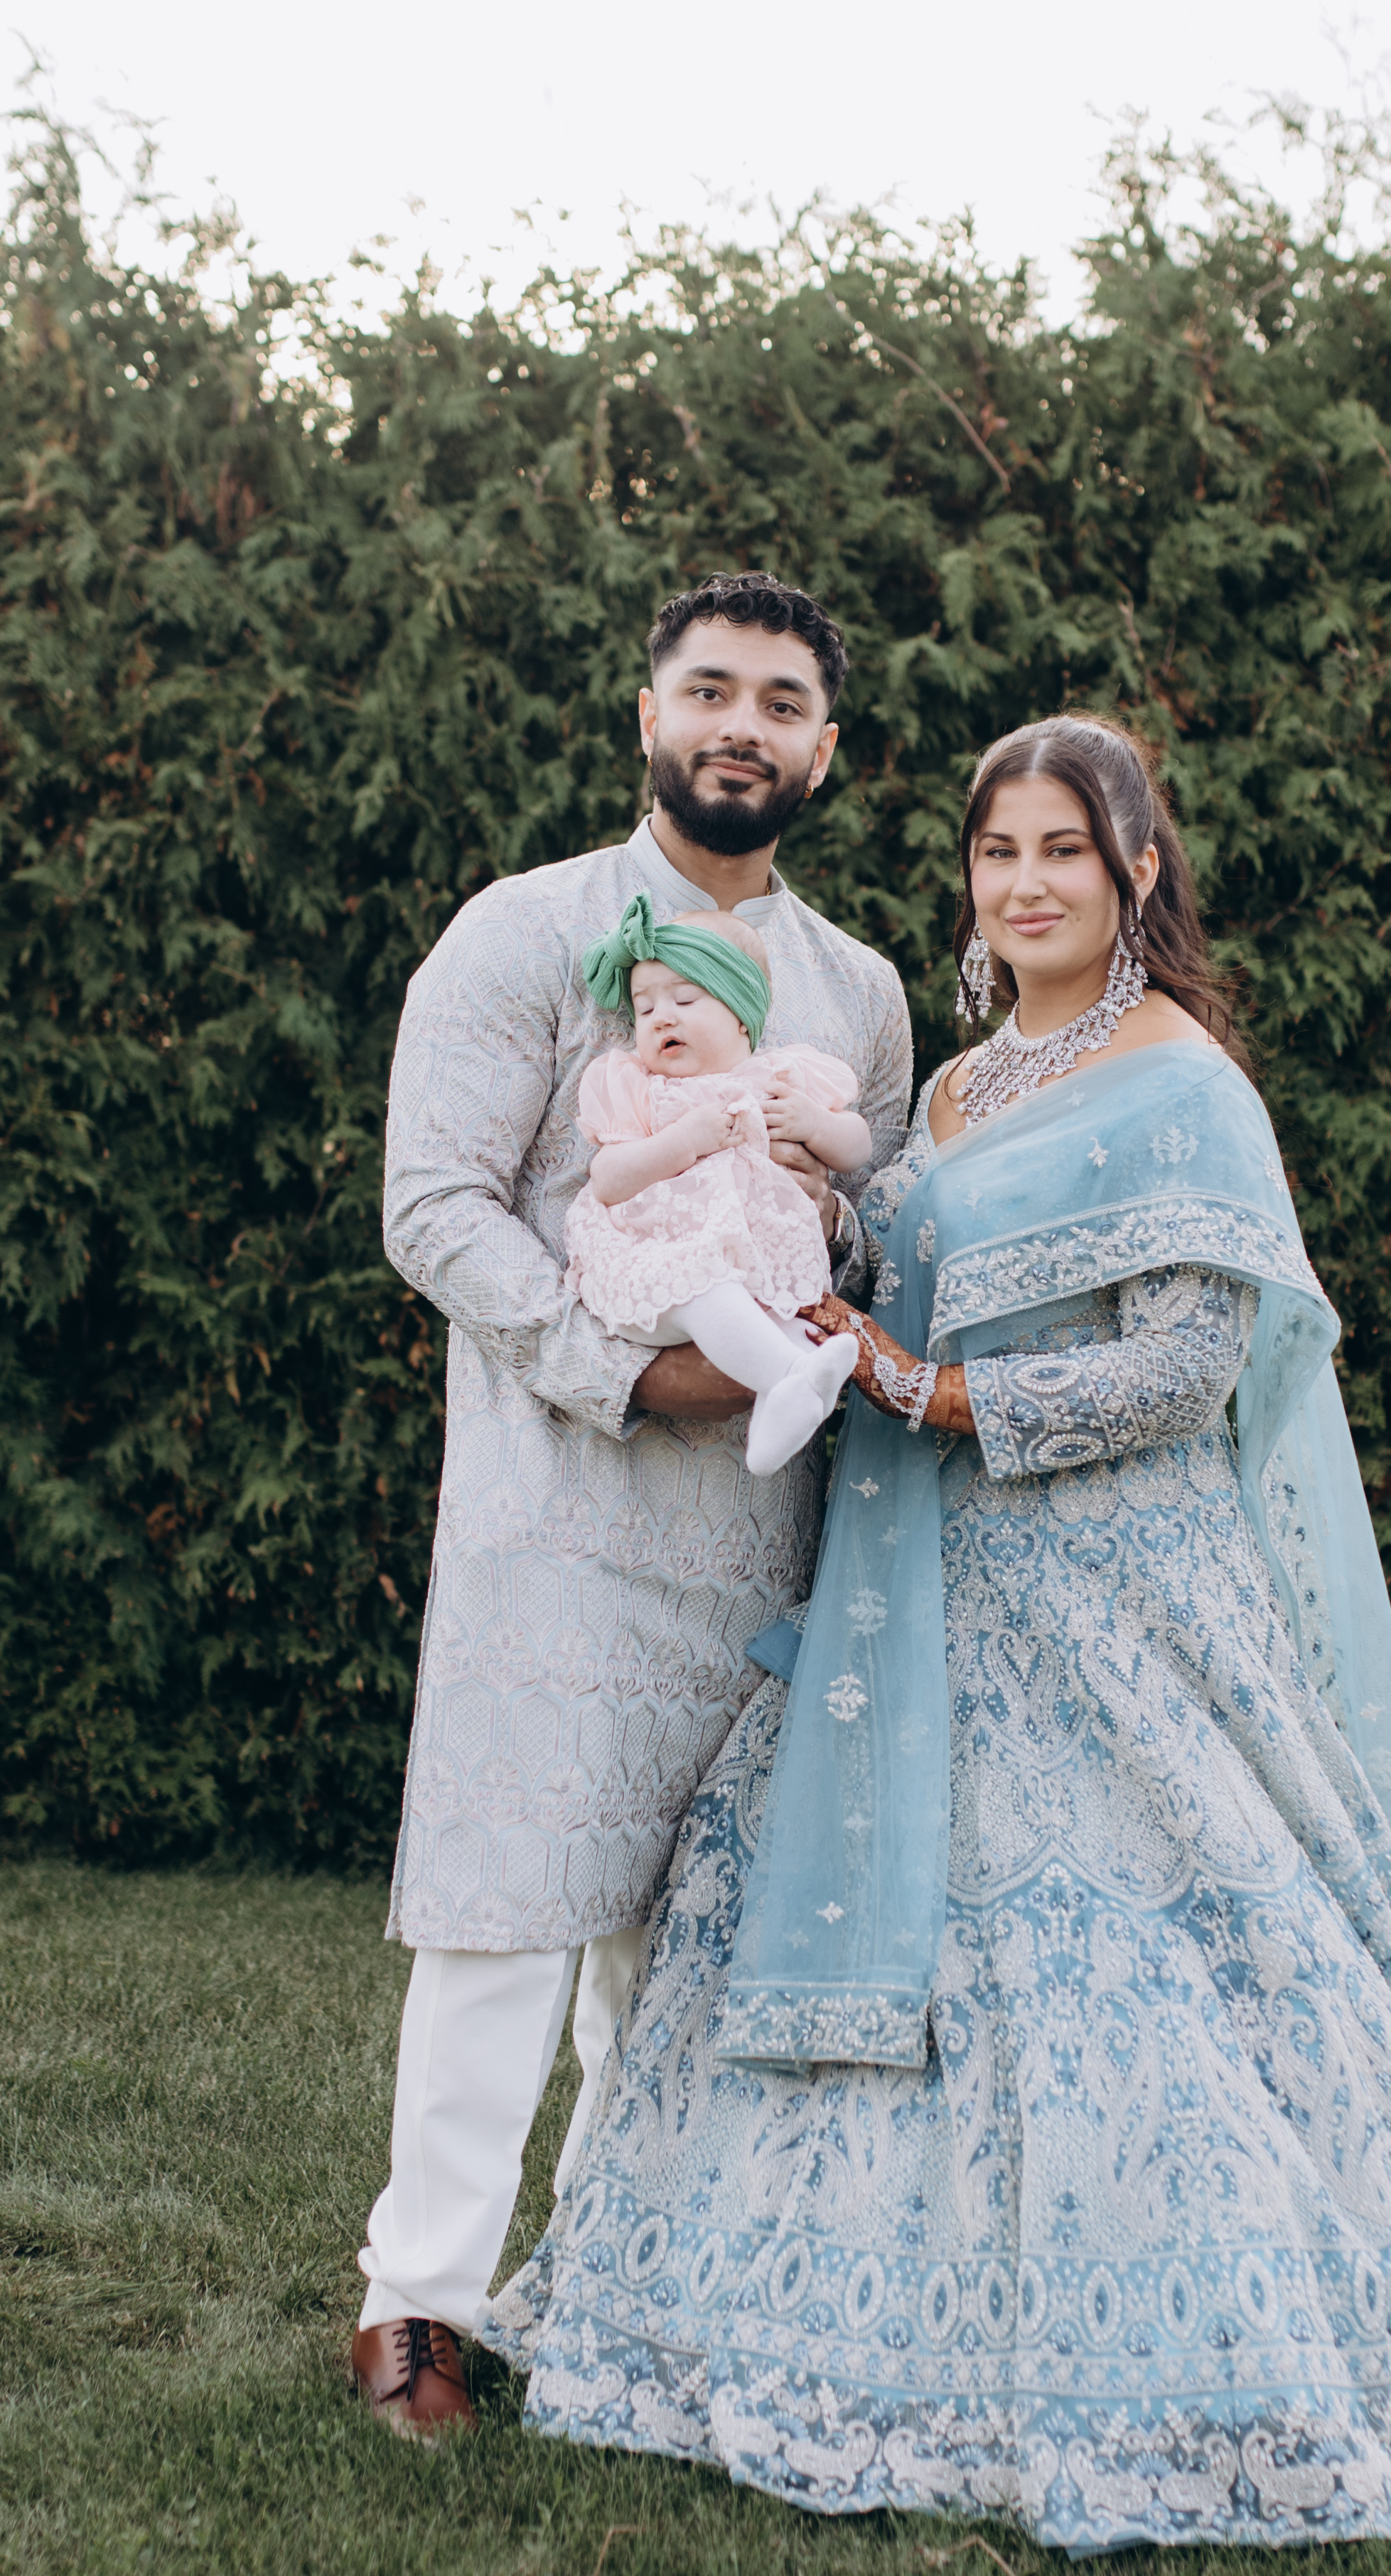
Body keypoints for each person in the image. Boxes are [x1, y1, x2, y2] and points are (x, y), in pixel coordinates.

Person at [483, 714, 1391, 2545]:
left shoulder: (1188, 1087)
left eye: (1063, 852)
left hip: (1118, 1613)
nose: (1024, 884)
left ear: (1135, 871)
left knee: (1135, 1978)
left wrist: (942, 1398)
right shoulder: (951, 1090)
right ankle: (790, 2328)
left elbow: (1187, 1368)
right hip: (913, 1590)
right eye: (996, 851)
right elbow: (893, 1276)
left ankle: (1206, 2357)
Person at [351, 574, 911, 2436]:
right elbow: (436, 1208)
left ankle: (592, 2288)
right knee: (508, 1911)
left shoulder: (860, 992)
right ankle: (419, 2303)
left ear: (825, 749)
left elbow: (863, 1228)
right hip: (559, 1504)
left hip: (758, 1530)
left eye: (782, 701)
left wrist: (825, 1292)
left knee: (679, 1942)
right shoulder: (528, 931)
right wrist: (625, 1369)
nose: (743, 725)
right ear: (649, 715)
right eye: (711, 689)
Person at [566, 895, 866, 1475]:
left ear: (741, 1013)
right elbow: (606, 1181)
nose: (661, 1018)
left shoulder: (780, 1079)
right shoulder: (642, 1089)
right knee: (711, 1290)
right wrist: (682, 1141)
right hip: (651, 1266)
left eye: (684, 999)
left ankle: (781, 1407)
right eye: (645, 1008)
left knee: (783, 1313)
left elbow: (857, 1147)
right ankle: (789, 1377)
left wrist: (815, 1123)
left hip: (744, 1261)